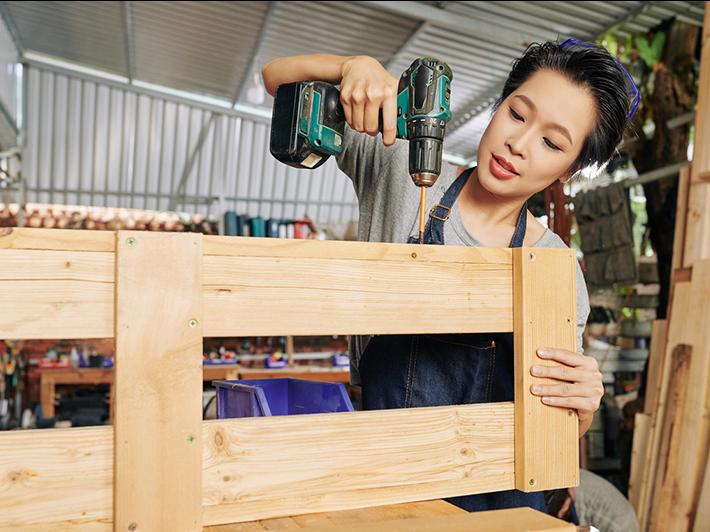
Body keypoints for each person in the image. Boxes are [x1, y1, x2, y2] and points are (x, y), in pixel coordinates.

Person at [263, 40, 634, 513]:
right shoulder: (401, 167)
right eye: (517, 115)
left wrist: (582, 408)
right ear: (498, 106)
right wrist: (350, 66)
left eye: (551, 142)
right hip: (389, 490)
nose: (518, 144)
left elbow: (557, 425)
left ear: (570, 169)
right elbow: (276, 76)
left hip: (504, 508)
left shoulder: (555, 267)